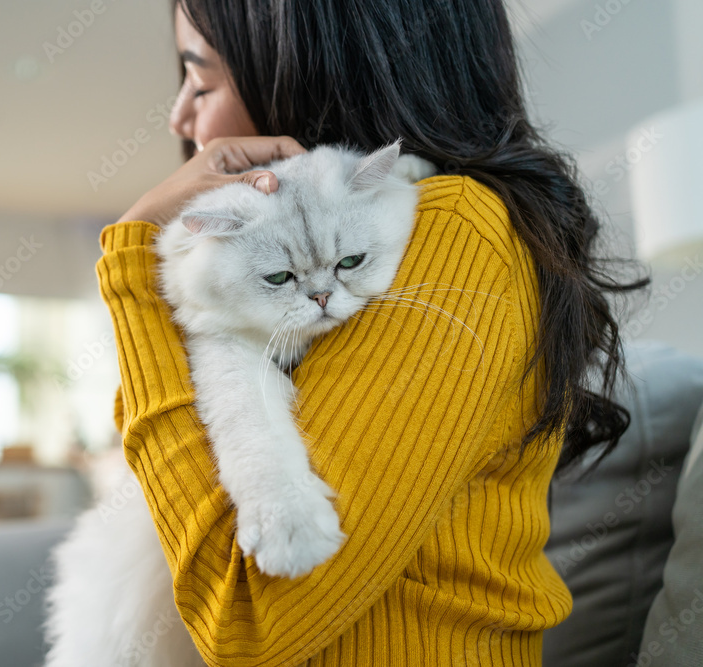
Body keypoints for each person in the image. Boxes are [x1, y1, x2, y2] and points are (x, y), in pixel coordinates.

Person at [95, 0, 647, 665]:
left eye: (202, 81)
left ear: (311, 72)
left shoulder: (455, 233)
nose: (180, 116)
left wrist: (132, 266)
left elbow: (249, 622)